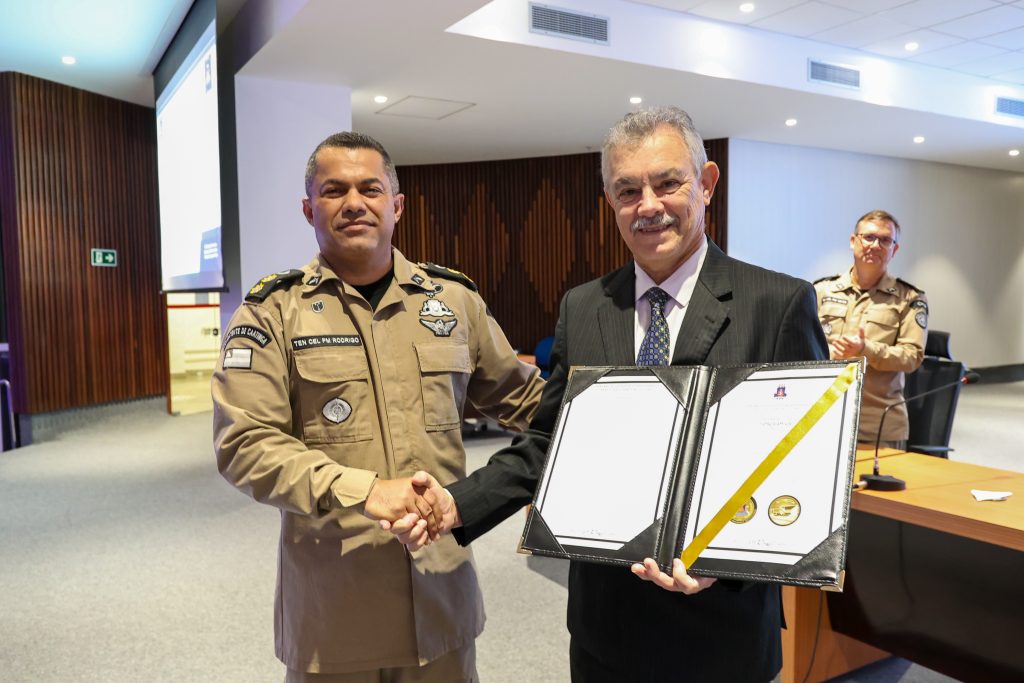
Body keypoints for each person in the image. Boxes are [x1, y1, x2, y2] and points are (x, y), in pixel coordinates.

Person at [385, 107, 828, 681]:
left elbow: (803, 463)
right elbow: (548, 443)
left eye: (668, 182)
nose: (649, 205)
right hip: (605, 626)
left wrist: (729, 563)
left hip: (721, 626)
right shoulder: (584, 307)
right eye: (628, 190)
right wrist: (456, 503)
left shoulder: (779, 302)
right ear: (610, 202)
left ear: (707, 183)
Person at [212, 131, 545, 681]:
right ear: (308, 208)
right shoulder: (271, 313)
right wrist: (366, 491)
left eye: (370, 188)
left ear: (396, 205)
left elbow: (527, 401)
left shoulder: (455, 301)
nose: (353, 203)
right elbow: (246, 446)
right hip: (336, 615)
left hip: (443, 600)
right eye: (333, 190)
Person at [814, 210, 927, 448]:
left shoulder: (909, 298)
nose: (875, 245)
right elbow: (803, 346)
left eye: (885, 240)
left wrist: (866, 349)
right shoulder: (821, 291)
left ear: (894, 250)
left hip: (878, 424)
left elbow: (912, 357)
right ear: (853, 241)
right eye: (869, 237)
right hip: (822, 416)